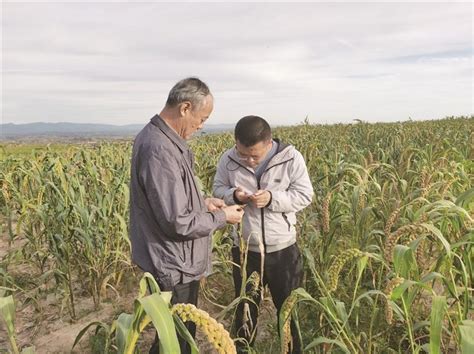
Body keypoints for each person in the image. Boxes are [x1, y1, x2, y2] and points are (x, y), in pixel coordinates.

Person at [129, 77, 244, 354]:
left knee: (175, 334)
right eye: (202, 118)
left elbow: (168, 202)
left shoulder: (162, 140)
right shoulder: (160, 149)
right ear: (185, 108)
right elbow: (177, 221)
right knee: (175, 340)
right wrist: (222, 217)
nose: (201, 126)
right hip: (173, 264)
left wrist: (203, 203)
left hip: (175, 260)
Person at [213, 115, 314, 353]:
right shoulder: (227, 160)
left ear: (269, 144)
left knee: (288, 313)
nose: (248, 161)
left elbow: (305, 194)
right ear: (236, 143)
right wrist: (234, 195)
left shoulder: (290, 158)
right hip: (245, 250)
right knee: (245, 311)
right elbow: (218, 188)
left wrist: (272, 199)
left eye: (254, 156)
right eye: (242, 154)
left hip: (283, 250)